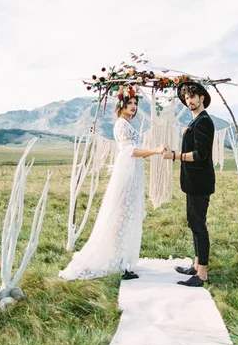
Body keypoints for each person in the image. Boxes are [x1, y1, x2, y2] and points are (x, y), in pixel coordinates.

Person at [59, 88, 166, 281]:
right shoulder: (121, 125)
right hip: (126, 172)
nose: (133, 107)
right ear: (121, 105)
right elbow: (130, 151)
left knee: (127, 215)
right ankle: (118, 261)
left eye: (135, 104)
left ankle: (122, 261)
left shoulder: (126, 124)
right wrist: (156, 150)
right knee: (120, 215)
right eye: (130, 103)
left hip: (133, 172)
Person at [163, 82, 215, 287]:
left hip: (199, 183)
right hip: (193, 183)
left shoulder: (203, 121)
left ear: (202, 98)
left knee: (199, 226)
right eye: (186, 98)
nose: (189, 101)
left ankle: (202, 274)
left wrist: (174, 156)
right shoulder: (196, 121)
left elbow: (201, 155)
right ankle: (196, 265)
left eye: (193, 97)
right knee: (194, 223)